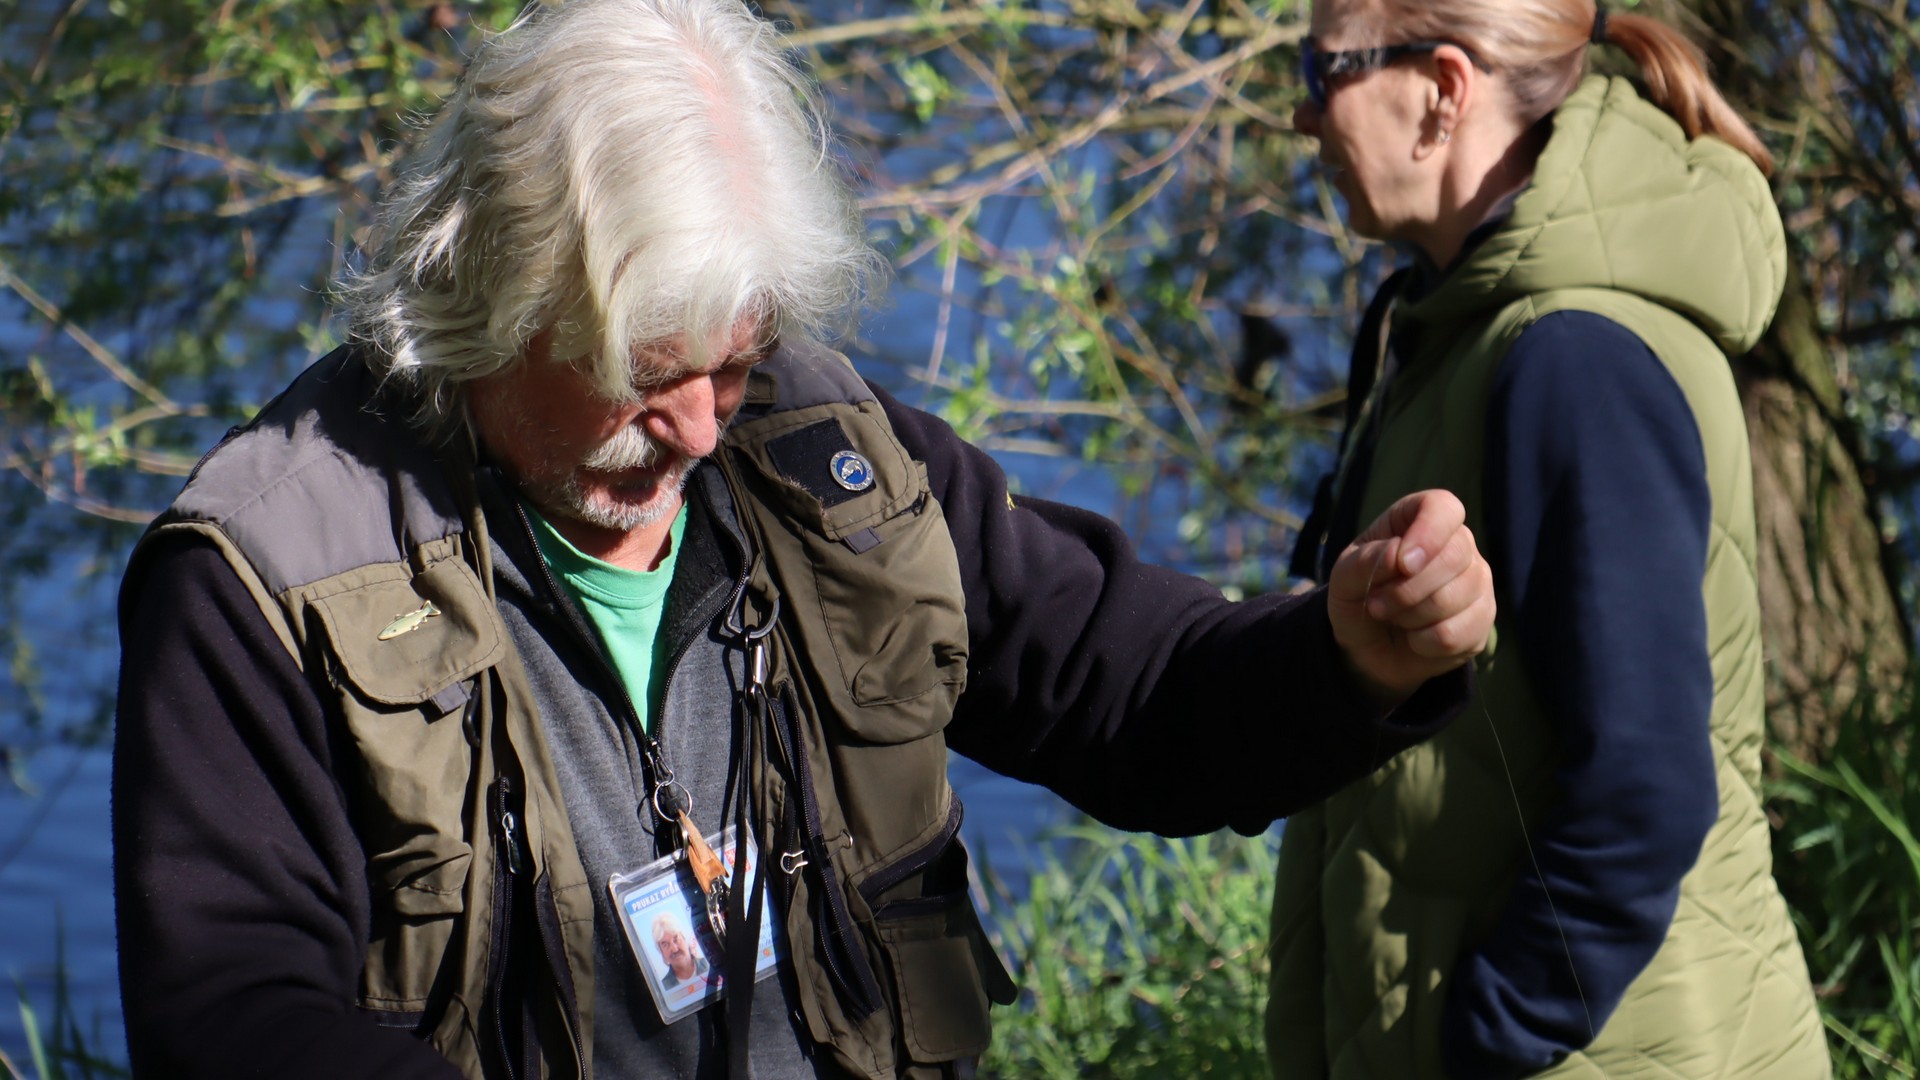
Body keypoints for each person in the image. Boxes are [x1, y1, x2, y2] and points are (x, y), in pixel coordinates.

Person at [109, 0, 1496, 1077]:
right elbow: (233, 1019)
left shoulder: (820, 452)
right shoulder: (268, 577)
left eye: (737, 356)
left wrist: (1349, 653)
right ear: (493, 293)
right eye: (648, 371)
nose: (700, 428)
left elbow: (1133, 691)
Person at [1272, 1, 1828, 1077]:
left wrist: (1492, 1037)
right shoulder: (1467, 330)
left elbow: (1643, 791)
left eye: (1322, 70)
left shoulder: (1572, 358)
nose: (1302, 115)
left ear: (1444, 89)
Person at [652, 916, 710, 992]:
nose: (674, 949)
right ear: (662, 953)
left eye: (676, 939)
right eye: (665, 945)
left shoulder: (709, 964)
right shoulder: (663, 989)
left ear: (685, 939)